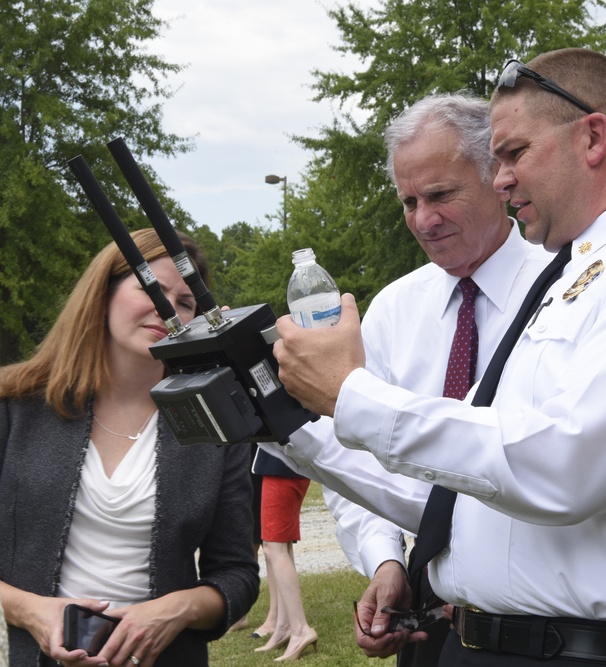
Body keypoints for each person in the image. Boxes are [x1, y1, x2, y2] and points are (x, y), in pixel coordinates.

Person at [272, 47, 606, 666]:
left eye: (514, 153)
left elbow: (567, 467)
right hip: (476, 643)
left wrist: (353, 397)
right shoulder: (574, 276)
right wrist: (284, 423)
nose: (501, 176)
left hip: (590, 652)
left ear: (593, 138)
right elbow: (462, 499)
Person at [258, 91, 556, 665]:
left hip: (541, 630)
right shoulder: (395, 307)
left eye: (441, 194)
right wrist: (387, 560)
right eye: (408, 201)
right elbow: (362, 453)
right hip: (430, 629)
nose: (423, 219)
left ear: (498, 175)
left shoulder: (562, 287)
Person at [0, 229, 259, 667]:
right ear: (103, 293)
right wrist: (32, 611)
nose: (167, 310)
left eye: (185, 303)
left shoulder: (213, 423)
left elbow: (236, 575)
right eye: (152, 290)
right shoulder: (16, 406)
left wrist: (173, 611)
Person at [249, 449, 317, 661]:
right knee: (278, 546)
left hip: (283, 462)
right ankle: (284, 627)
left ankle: (300, 629)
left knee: (274, 547)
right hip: (280, 462)